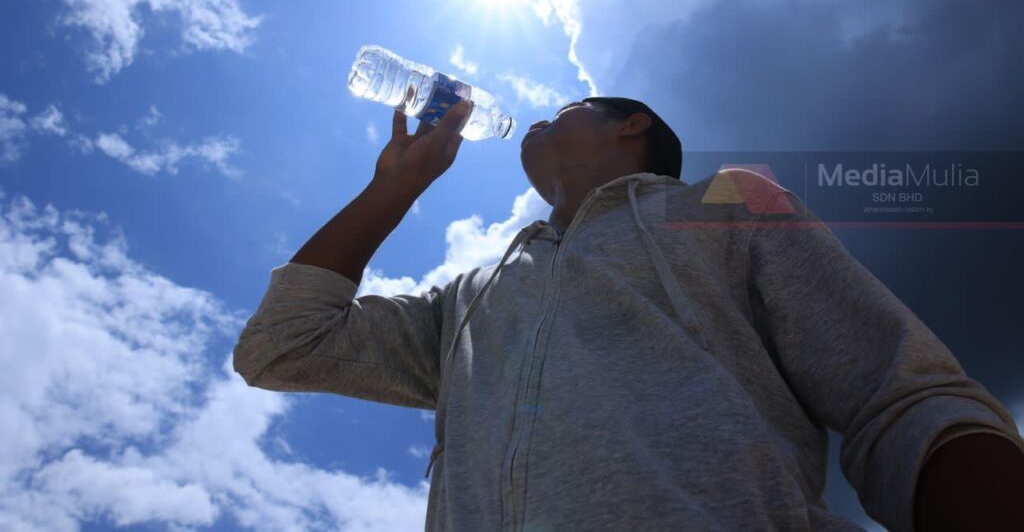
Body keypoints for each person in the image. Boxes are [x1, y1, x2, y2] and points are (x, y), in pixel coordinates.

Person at [233, 96, 1024, 531]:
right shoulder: (473, 292)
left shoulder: (725, 201)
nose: (539, 117)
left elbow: (899, 395)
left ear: (630, 123)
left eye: (571, 106)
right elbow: (282, 345)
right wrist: (394, 189)